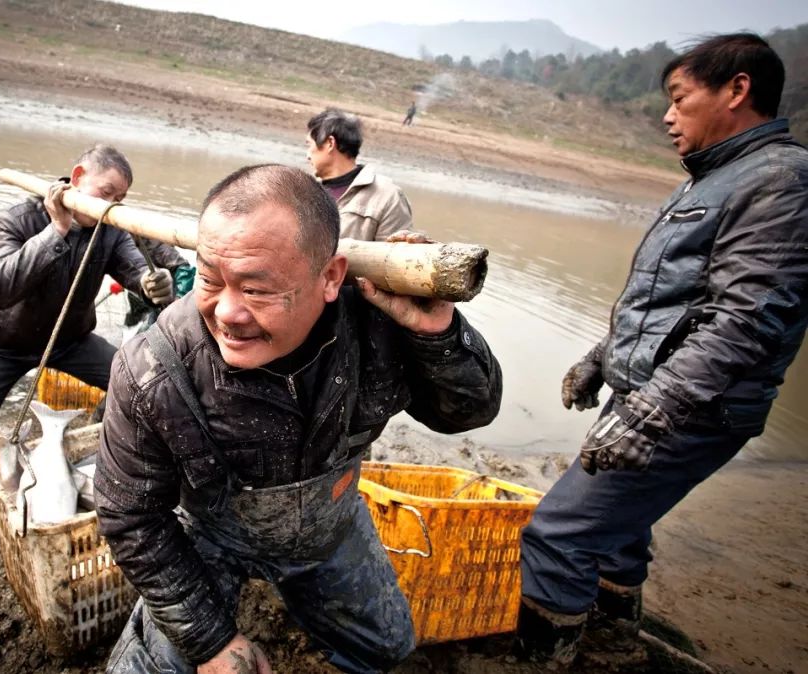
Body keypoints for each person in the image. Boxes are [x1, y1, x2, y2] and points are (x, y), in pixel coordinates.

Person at [95, 164, 503, 672]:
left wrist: (438, 332)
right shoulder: (152, 369)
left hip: (329, 527)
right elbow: (129, 514)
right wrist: (211, 643)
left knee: (388, 648)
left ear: (331, 276)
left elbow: (470, 411)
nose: (227, 312)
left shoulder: (377, 326)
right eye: (210, 279)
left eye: (257, 290)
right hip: (209, 535)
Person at [517, 33, 808, 665]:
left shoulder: (780, 180)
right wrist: (604, 356)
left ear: (737, 90)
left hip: (694, 402)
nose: (667, 115)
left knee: (557, 535)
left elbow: (746, 319)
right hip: (655, 389)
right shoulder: (712, 177)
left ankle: (546, 657)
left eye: (679, 98)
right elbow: (671, 298)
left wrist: (651, 409)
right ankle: (614, 642)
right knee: (614, 535)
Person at [0, 145, 173, 465]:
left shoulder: (110, 231)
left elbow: (137, 273)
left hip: (70, 341)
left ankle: (101, 434)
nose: (111, 205)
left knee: (141, 382)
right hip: (2, 344)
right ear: (77, 178)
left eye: (118, 199)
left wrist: (152, 284)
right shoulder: (19, 217)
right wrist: (56, 231)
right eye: (106, 192)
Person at [305, 108, 415, 241]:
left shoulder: (388, 197)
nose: (307, 156)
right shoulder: (305, 192)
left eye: (309, 145)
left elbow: (396, 256)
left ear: (330, 143)